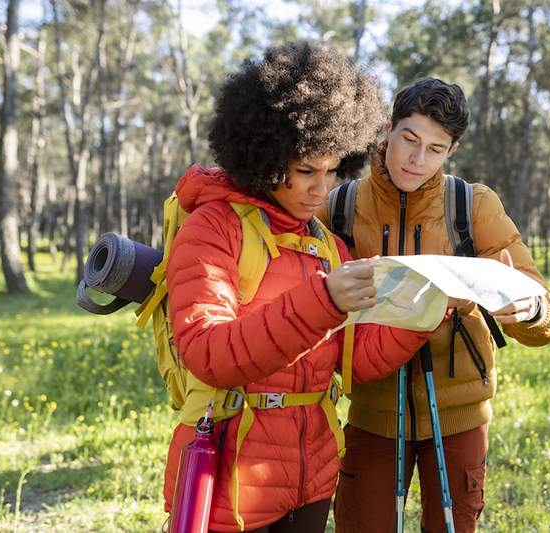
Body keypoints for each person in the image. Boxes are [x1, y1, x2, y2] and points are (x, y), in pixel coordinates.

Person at [163, 44, 442, 533]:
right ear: (265, 159)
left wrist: (426, 308)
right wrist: (324, 300)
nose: (322, 189)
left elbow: (355, 358)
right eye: (306, 171)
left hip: (311, 476)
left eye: (333, 171)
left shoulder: (327, 245)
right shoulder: (214, 228)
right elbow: (208, 354)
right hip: (228, 475)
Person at [316, 77, 550, 533]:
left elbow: (544, 309)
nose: (417, 159)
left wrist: (528, 311)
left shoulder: (473, 206)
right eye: (409, 140)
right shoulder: (339, 206)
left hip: (459, 417)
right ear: (387, 129)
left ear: (451, 151)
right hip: (371, 411)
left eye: (435, 148)